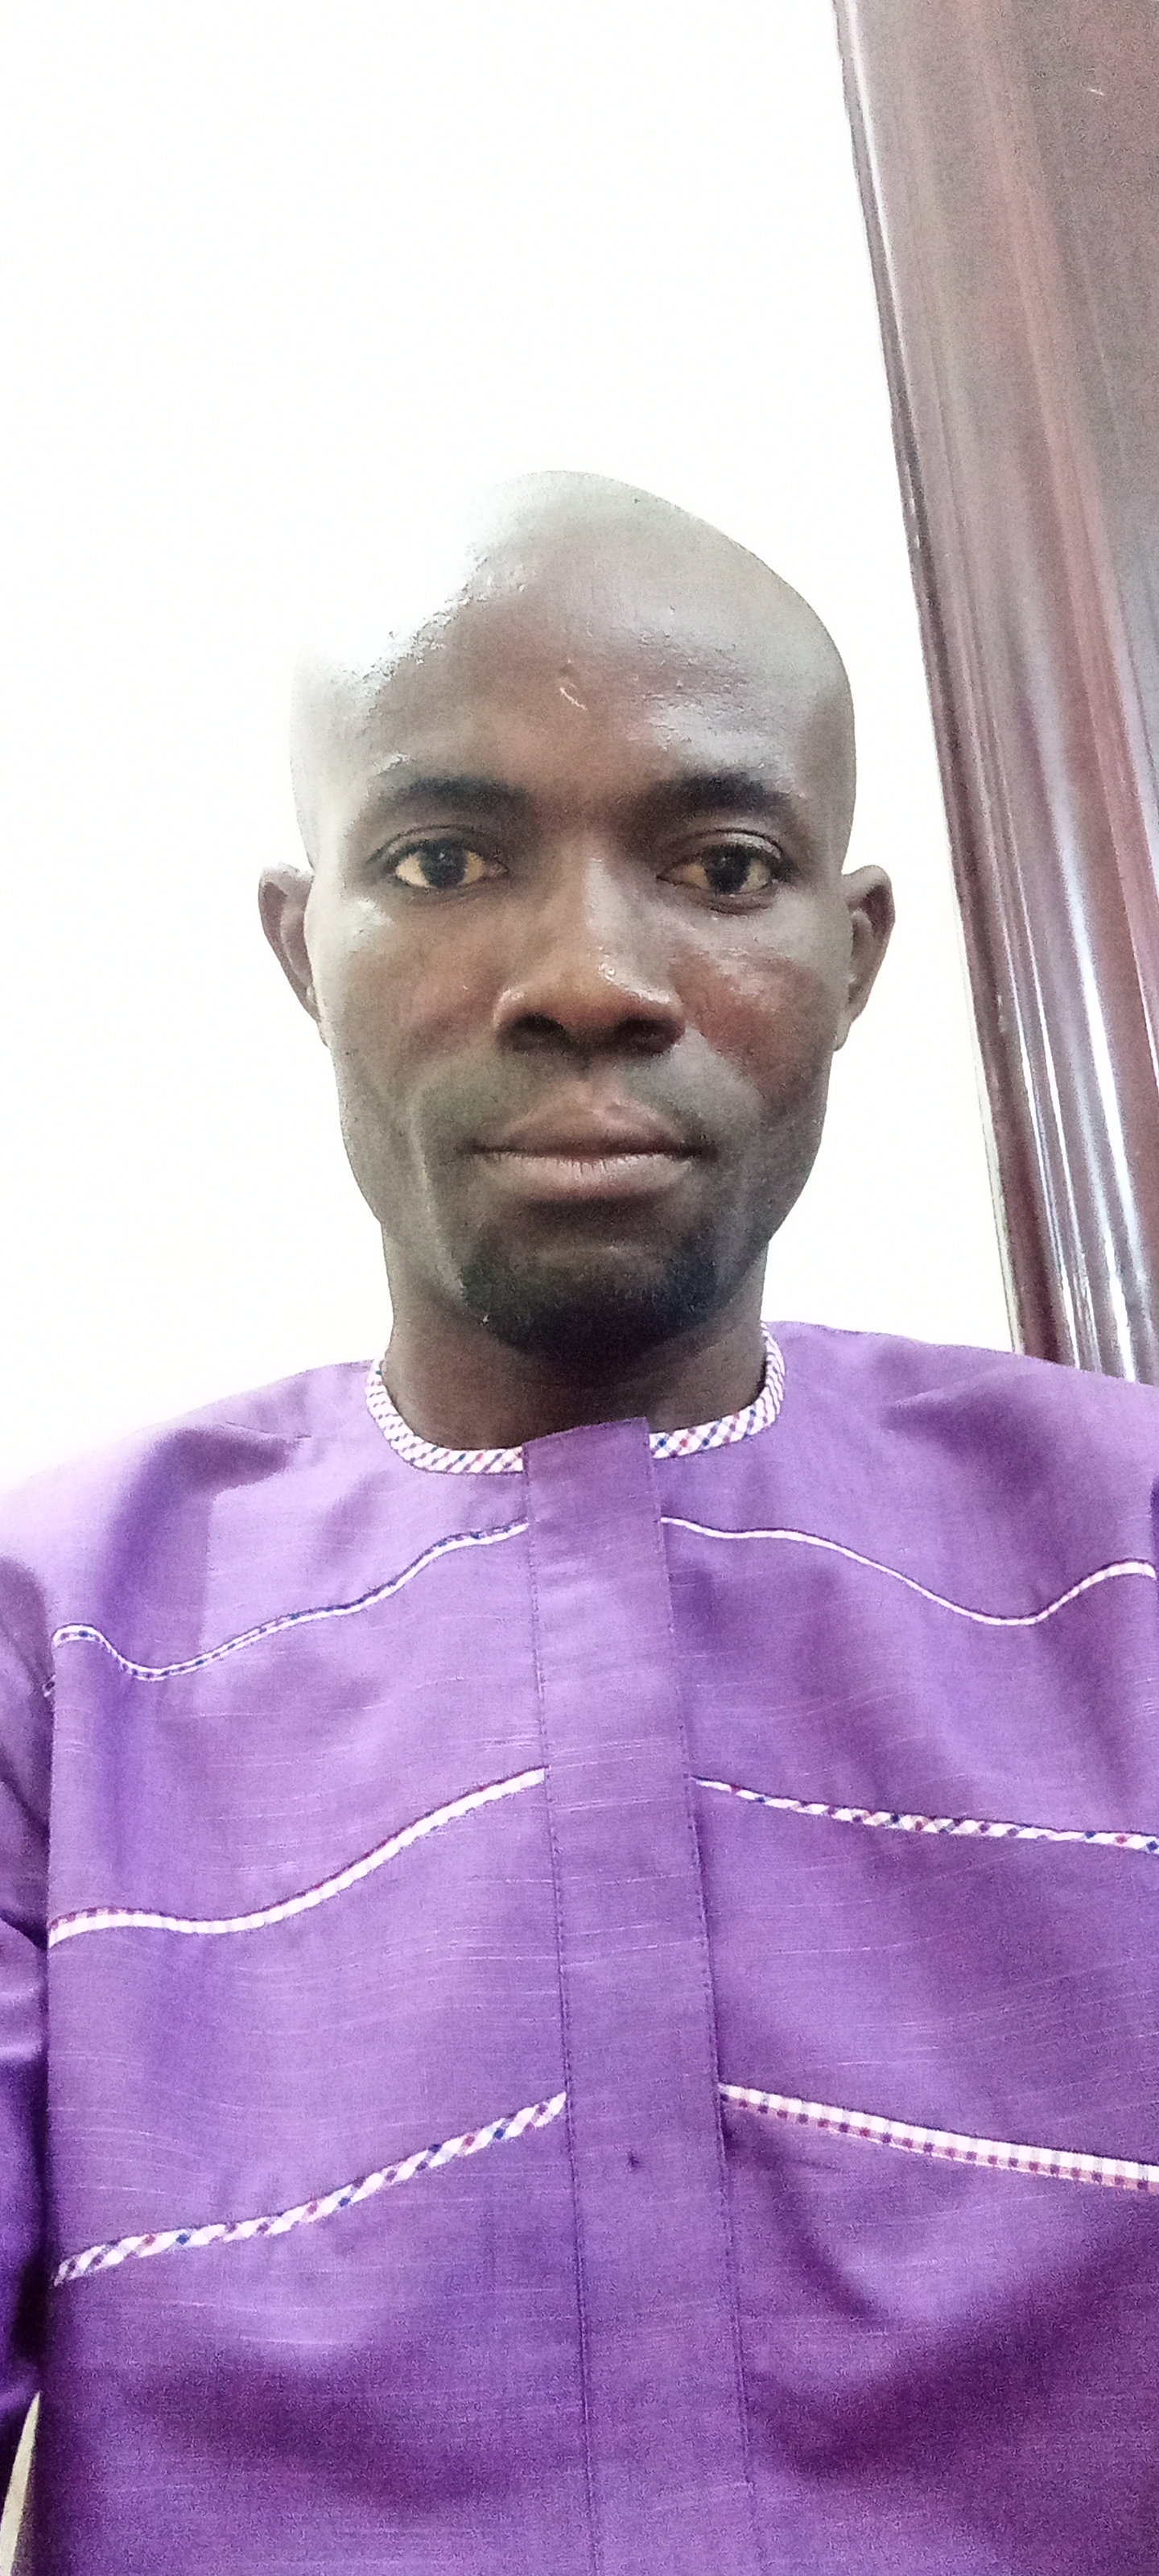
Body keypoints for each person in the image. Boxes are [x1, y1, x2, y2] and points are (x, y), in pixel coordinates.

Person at [2, 473, 1158, 2576]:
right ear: (305, 948)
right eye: (447, 861)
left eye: (722, 867)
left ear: (848, 954)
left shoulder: (1132, 1562)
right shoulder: (61, 1642)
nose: (595, 980)